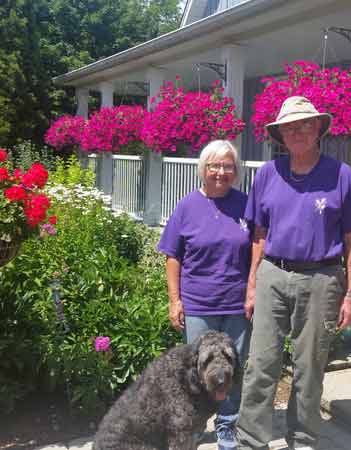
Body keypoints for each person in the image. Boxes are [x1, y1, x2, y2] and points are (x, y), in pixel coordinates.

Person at [237, 97, 351, 450]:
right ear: (280, 134)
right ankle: (251, 440)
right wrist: (252, 284)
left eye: (304, 125)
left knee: (309, 367)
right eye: (289, 127)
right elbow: (259, 235)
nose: (296, 131)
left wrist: (350, 294)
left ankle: (303, 438)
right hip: (272, 274)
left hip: (321, 279)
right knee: (261, 363)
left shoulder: (339, 175)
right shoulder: (268, 174)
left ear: (318, 130)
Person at [157, 140, 252, 450]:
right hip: (199, 304)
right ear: (203, 169)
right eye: (214, 165)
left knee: (232, 370)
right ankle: (195, 428)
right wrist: (175, 300)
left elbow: (259, 248)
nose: (220, 172)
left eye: (227, 166)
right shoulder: (187, 206)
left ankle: (227, 428)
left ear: (235, 171)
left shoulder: (245, 205)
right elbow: (173, 256)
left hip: (237, 305)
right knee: (198, 374)